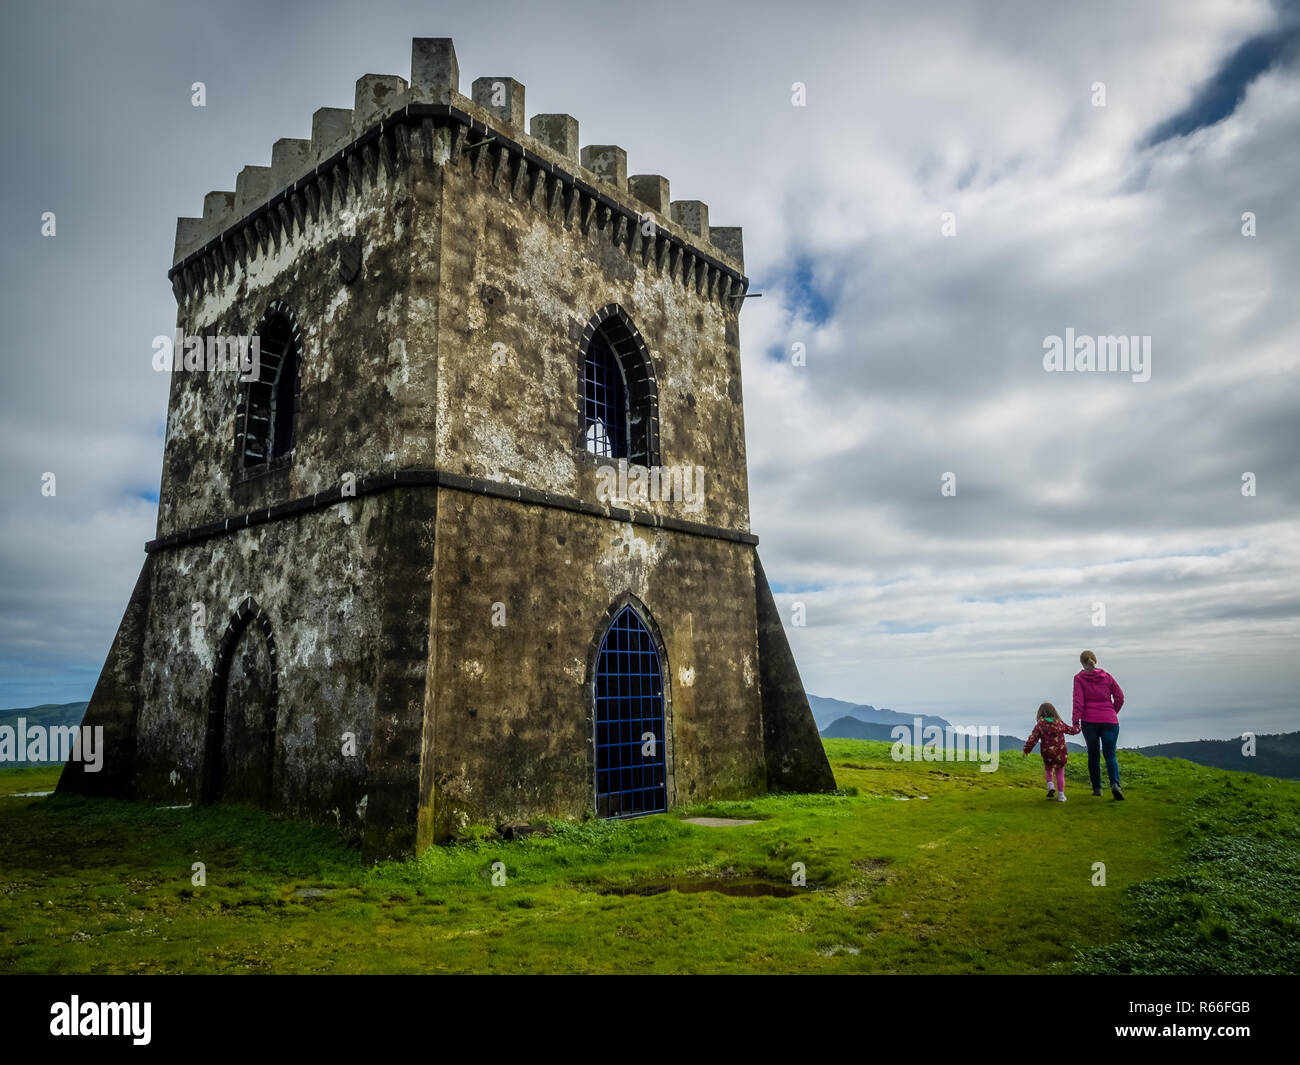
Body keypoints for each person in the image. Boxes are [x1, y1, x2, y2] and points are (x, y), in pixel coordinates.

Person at [1073, 650, 1125, 799]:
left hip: (1090, 722)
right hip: (1110, 720)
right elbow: (1120, 697)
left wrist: (1076, 721)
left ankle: (1097, 788)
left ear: (1082, 663)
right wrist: (1112, 712)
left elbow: (1078, 701)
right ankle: (1115, 784)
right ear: (1095, 660)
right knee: (1110, 755)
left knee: (1093, 755)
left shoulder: (1079, 678)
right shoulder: (1107, 677)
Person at [1022, 702, 1080, 801]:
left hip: (1047, 753)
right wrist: (1077, 725)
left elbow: (1033, 739)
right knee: (1060, 773)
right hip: (1060, 753)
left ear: (1040, 713)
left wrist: (1026, 750)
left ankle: (1050, 786)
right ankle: (1061, 795)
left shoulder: (1040, 725)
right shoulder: (1059, 723)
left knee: (1048, 769)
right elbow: (1072, 731)